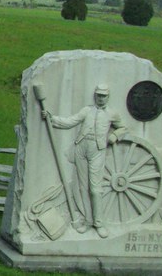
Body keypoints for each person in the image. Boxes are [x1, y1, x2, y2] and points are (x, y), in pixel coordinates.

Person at [42, 83, 127, 238]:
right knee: (82, 187)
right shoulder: (87, 110)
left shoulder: (112, 113)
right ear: (95, 95)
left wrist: (114, 136)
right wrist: (51, 118)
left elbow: (123, 128)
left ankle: (99, 223)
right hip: (81, 147)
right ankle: (87, 221)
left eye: (104, 96)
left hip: (98, 149)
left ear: (108, 96)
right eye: (99, 95)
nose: (101, 99)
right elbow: (70, 121)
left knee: (95, 189)